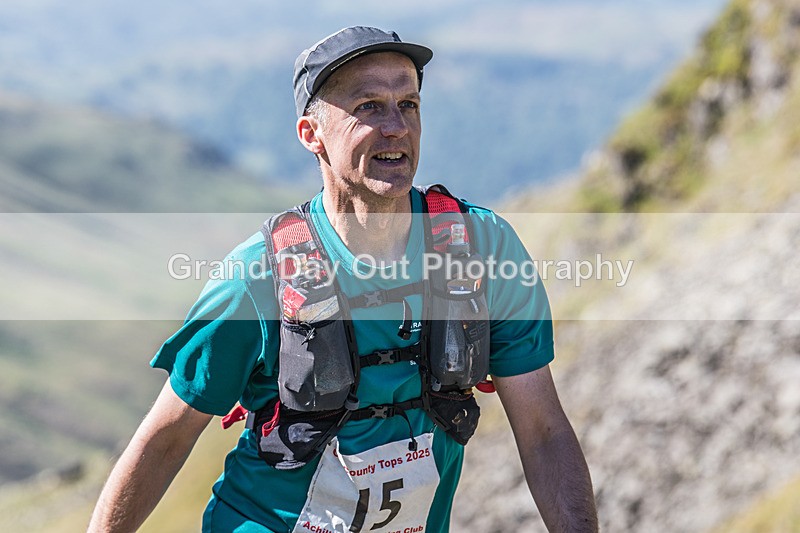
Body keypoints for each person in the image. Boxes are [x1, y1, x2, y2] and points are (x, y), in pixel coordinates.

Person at [88, 26, 598, 533]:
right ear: (312, 135)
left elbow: (543, 430)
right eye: (368, 107)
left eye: (410, 104)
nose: (396, 126)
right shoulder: (257, 278)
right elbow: (165, 439)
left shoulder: (484, 248)